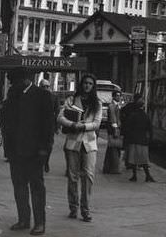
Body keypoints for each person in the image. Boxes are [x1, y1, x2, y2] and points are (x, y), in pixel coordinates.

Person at [0, 68, 54, 235]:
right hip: (15, 151)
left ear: (24, 80)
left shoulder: (42, 96)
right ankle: (23, 219)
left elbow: (48, 125)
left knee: (37, 187)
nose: (11, 84)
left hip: (35, 151)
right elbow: (5, 120)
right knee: (19, 186)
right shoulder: (12, 96)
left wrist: (45, 149)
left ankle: (40, 223)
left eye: (13, 81)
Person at [57, 73, 102, 222]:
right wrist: (72, 125)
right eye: (85, 83)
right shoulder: (71, 100)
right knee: (72, 177)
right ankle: (73, 208)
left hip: (89, 144)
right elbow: (60, 117)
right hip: (72, 144)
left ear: (93, 86)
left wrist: (83, 126)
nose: (87, 86)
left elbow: (97, 124)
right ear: (81, 84)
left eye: (90, 83)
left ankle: (86, 210)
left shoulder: (97, 103)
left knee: (88, 177)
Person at [122, 94, 155, 182]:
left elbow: (128, 127)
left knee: (133, 159)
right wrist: (150, 138)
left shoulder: (132, 115)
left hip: (133, 140)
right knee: (144, 160)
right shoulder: (146, 116)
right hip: (143, 140)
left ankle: (134, 176)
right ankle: (148, 175)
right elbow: (150, 128)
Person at [38, 78, 60, 173]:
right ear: (40, 87)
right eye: (43, 86)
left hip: (50, 125)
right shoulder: (35, 97)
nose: (46, 88)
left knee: (49, 145)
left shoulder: (54, 97)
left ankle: (46, 161)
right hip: (38, 125)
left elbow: (57, 112)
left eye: (47, 86)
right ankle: (40, 162)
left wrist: (57, 127)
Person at [102, 90, 122, 174]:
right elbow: (113, 119)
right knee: (114, 149)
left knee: (111, 148)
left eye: (119, 96)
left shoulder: (117, 105)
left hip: (115, 129)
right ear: (113, 96)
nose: (119, 97)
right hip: (114, 129)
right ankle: (114, 168)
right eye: (117, 95)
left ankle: (107, 168)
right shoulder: (112, 106)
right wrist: (115, 129)